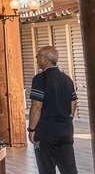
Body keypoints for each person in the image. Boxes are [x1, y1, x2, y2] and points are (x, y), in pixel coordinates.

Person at [29, 45, 79, 174]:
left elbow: (36, 106)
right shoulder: (67, 79)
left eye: (38, 56)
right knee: (69, 170)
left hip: (46, 134)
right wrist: (66, 121)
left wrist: (32, 129)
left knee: (46, 170)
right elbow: (73, 104)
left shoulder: (40, 79)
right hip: (65, 132)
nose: (36, 59)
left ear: (46, 60)